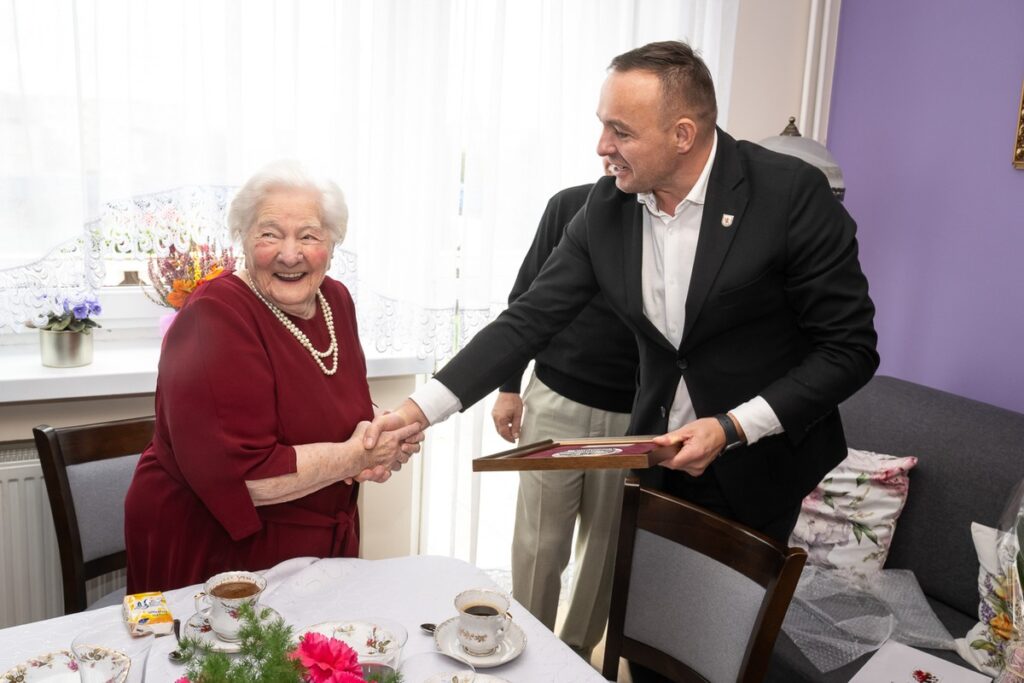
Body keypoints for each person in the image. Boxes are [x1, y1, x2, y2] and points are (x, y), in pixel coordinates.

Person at [368, 39, 877, 549]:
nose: (602, 146)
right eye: (602, 125)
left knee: (726, 603)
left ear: (682, 134)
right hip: (658, 461)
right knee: (643, 599)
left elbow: (848, 349)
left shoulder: (789, 194)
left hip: (760, 464)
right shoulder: (606, 208)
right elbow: (528, 320)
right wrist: (415, 412)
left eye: (621, 131)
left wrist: (732, 427)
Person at [125, 161, 422, 593]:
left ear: (332, 243)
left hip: (313, 537)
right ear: (243, 238)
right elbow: (248, 477)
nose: (289, 254)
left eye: (309, 236)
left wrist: (382, 430)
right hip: (219, 547)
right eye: (270, 234)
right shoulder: (214, 317)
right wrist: (360, 456)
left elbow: (330, 399)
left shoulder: (335, 299)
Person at [492, 175, 638, 658]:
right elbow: (524, 302)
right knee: (539, 543)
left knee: (605, 548)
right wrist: (508, 388)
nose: (610, 149)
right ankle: (529, 652)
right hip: (555, 401)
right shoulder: (570, 205)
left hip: (630, 416)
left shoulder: (675, 225)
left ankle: (575, 656)